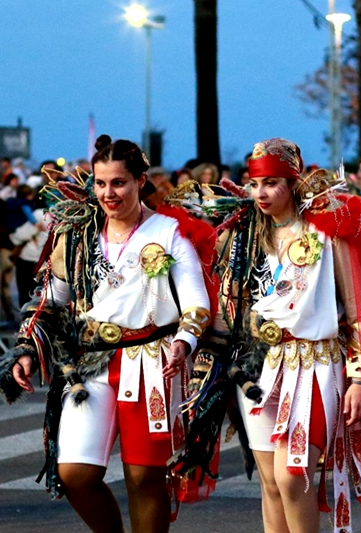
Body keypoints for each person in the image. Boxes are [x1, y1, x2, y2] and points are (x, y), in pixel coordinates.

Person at [196, 138, 361, 533]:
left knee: (294, 475)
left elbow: (358, 310)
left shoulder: (328, 232)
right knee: (271, 483)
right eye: (255, 184)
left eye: (272, 183)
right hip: (259, 369)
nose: (261, 193)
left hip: (316, 365)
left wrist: (359, 378)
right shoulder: (245, 239)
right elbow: (229, 306)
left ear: (292, 183)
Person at [0, 135, 215, 533]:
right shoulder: (77, 235)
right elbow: (49, 301)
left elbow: (197, 305)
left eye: (118, 183)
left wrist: (184, 342)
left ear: (140, 181)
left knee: (142, 477)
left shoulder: (169, 231)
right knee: (75, 473)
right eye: (100, 183)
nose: (108, 193)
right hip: (92, 364)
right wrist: (27, 349)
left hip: (152, 363)